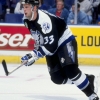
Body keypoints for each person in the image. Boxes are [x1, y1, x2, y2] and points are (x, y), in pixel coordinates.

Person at [21, 0, 99, 100]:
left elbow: (52, 46)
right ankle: (87, 79)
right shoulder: (26, 20)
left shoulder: (44, 20)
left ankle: (91, 95)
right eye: (24, 7)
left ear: (34, 8)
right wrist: (32, 56)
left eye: (27, 7)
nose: (24, 9)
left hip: (64, 40)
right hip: (51, 43)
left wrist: (34, 54)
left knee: (71, 71)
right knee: (57, 78)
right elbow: (39, 39)